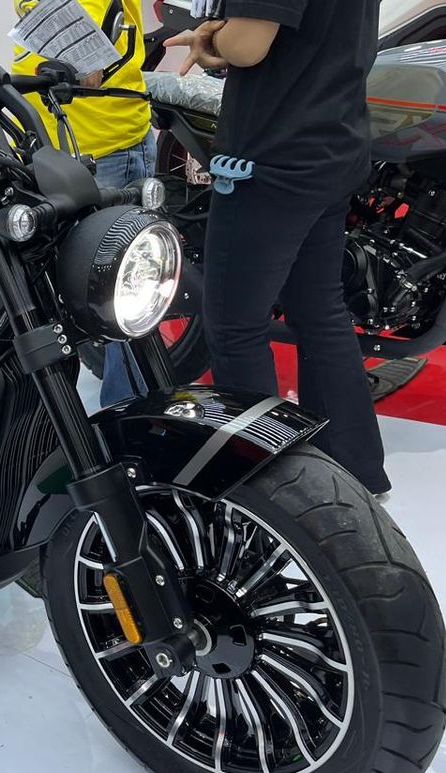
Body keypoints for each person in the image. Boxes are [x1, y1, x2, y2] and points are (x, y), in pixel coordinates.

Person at [166, 0, 391, 494]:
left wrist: (213, 38)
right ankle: (355, 473)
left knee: (234, 326)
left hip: (273, 158)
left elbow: (248, 45)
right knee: (320, 313)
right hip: (332, 143)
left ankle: (269, 493)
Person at [12, 0, 153, 406]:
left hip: (100, 142)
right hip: (49, 138)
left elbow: (86, 65)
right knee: (71, 290)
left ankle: (127, 416)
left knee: (119, 294)